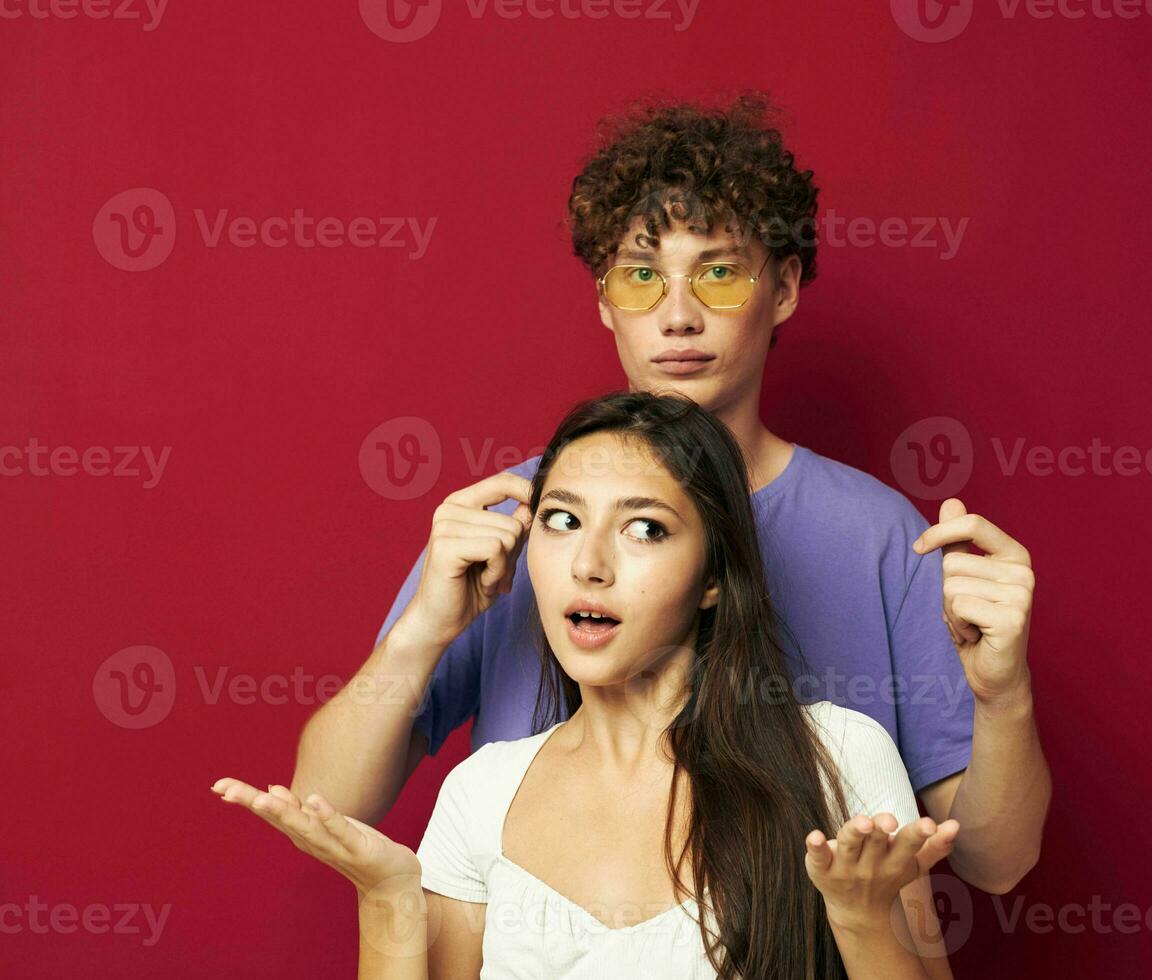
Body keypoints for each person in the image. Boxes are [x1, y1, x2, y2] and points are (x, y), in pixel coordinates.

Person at [289, 93, 1050, 895]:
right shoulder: (514, 521)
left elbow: (995, 863)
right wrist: (420, 632)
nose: (678, 316)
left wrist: (1005, 695)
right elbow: (326, 807)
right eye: (642, 276)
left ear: (783, 288)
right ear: (605, 302)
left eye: (718, 274)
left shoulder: (883, 537)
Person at [215, 391, 960, 979]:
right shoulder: (482, 792)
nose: (589, 564)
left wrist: (863, 921)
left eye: (645, 530)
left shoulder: (841, 755)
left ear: (712, 579)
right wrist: (385, 900)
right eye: (562, 520)